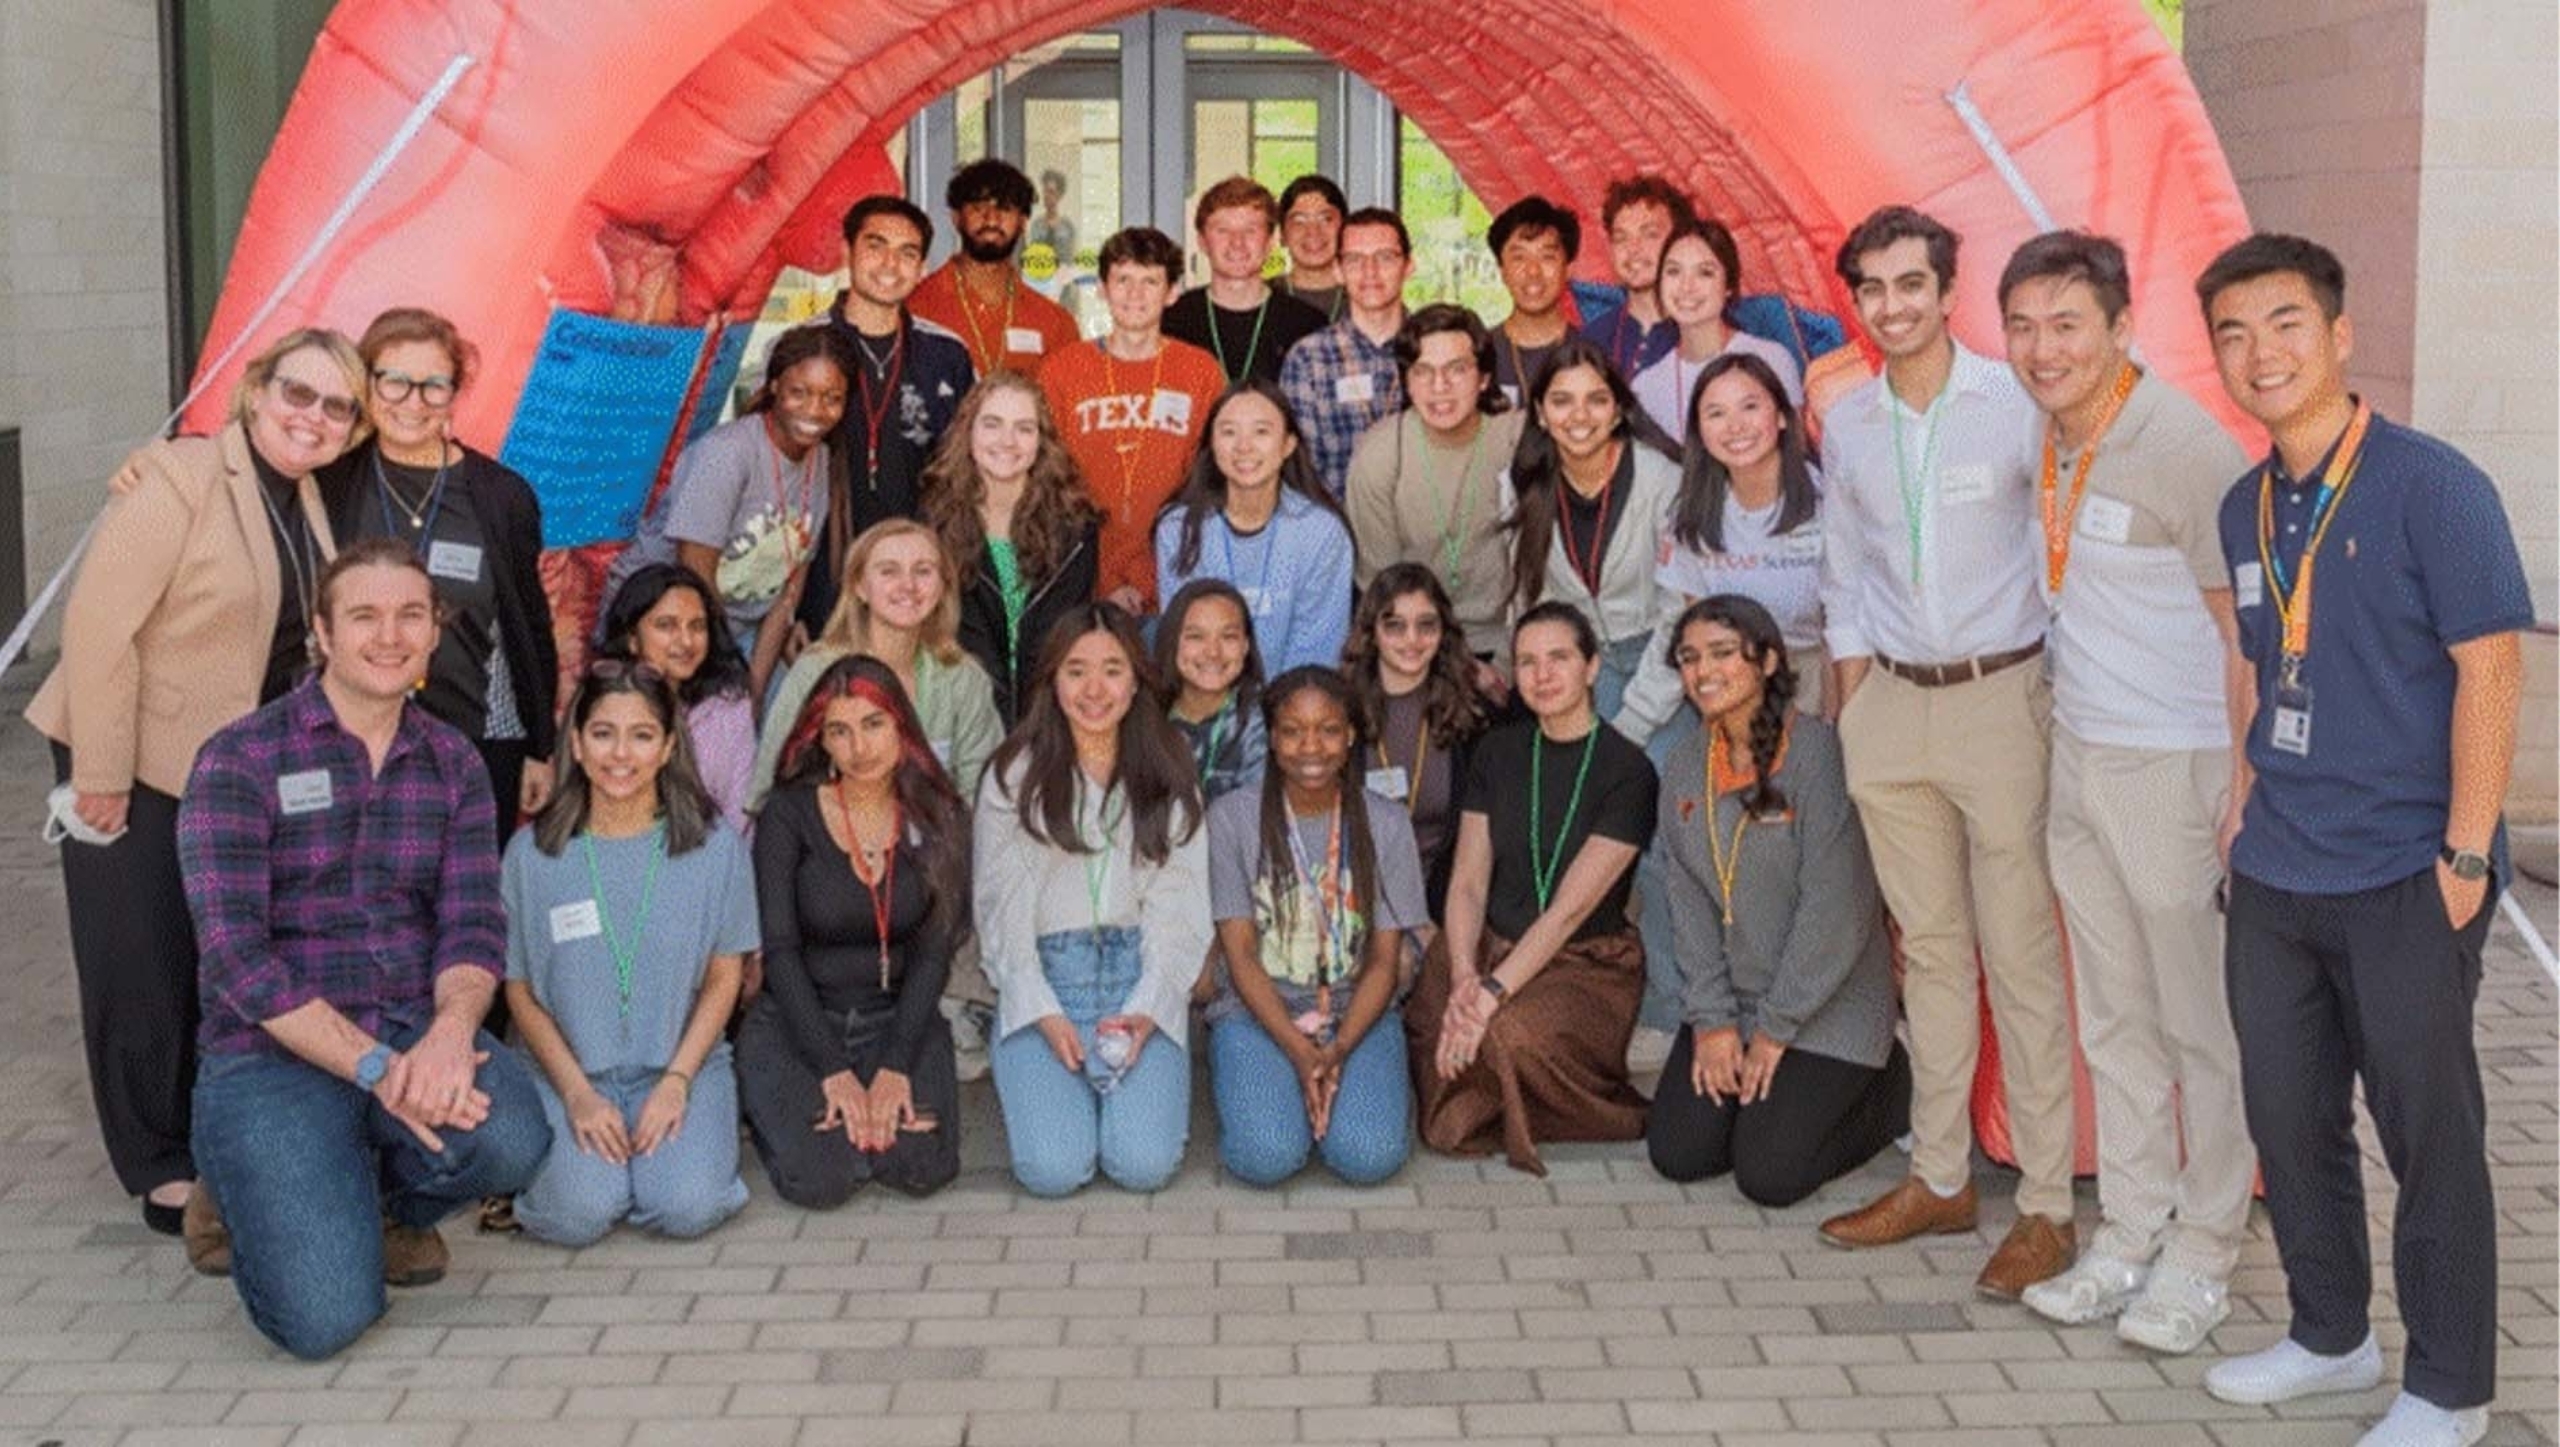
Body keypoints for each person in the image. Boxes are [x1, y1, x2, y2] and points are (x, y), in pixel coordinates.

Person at [2194, 235, 2530, 1447]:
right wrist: (2242, 800)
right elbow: (2259, 663)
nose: (2260, 353)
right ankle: (2328, 1333)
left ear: (2339, 334)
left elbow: (2491, 669)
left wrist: (2466, 854)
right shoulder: (2244, 505)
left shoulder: (2431, 486)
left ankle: (2448, 1389)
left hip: (2405, 872)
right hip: (2276, 869)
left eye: (2284, 323)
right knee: (2289, 1121)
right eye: (2233, 334)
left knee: (2428, 1137)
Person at [178, 539, 550, 1358]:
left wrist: (450, 1034)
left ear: (435, 631)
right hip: (273, 1056)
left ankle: (373, 1203)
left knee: (515, 1137)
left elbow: (473, 921)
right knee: (325, 1321)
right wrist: (378, 1070)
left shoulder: (451, 760)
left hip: (409, 1025)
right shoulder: (240, 758)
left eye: (411, 615)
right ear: (322, 632)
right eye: (365, 616)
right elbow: (237, 958)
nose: (390, 635)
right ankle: (241, 1193)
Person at [28, 328, 357, 1236]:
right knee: (140, 962)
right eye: (298, 393)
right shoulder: (179, 477)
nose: (313, 416)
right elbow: (98, 627)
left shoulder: (308, 496)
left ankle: (211, 1135)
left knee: (211, 957)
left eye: (336, 406)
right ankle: (160, 1165)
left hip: (229, 772)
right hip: (134, 755)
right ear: (256, 391)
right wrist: (101, 773)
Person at [1992, 231, 2257, 1354]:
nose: (2042, 348)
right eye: (2022, 326)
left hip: (2175, 766)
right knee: (2113, 1019)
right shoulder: (2047, 433)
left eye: (2066, 324)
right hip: (2082, 757)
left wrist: (2243, 786)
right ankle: (2133, 1229)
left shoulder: (2182, 446)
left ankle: (2206, 1250)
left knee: (2201, 1028)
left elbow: (2246, 634)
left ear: (2120, 328)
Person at [1811, 204, 2074, 1304]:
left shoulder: (2017, 403)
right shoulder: (1849, 421)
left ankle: (2048, 1205)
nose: (1891, 306)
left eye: (1909, 283)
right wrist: (1852, 712)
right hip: (1890, 709)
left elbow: (2058, 549)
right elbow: (1843, 574)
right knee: (1928, 953)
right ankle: (1940, 1177)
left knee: (2019, 954)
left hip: (2000, 698)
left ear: (1947, 290)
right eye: (1871, 288)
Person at [1644, 596, 1909, 1205]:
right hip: (1734, 1002)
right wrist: (1712, 1021)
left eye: (1721, 654)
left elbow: (1836, 911)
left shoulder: (1819, 756)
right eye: (1689, 658)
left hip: (1827, 1005)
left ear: (1766, 662)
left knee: (1768, 1176)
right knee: (1681, 1153)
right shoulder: (1684, 765)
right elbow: (1688, 906)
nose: (1703, 671)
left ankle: (1893, 1086)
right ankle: (1764, 1105)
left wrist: (1775, 1029)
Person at [502, 660, 753, 1245]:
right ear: (577, 744)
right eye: (603, 733)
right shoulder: (531, 856)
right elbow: (520, 991)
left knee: (687, 1207)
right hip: (569, 1075)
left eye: (641, 735)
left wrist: (677, 1081)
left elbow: (726, 977)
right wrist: (577, 1095)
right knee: (577, 1216)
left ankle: (660, 1166)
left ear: (667, 748)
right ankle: (596, 1175)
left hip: (682, 1067)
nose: (621, 754)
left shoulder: (715, 849)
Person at [1408, 603, 1657, 1176]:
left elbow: (1569, 911)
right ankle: (1485, 1093)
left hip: (1582, 961)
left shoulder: (1628, 770)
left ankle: (1581, 1109)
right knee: (1433, 1004)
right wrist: (1465, 974)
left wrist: (1489, 996)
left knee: (1507, 1035)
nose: (1542, 675)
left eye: (1559, 658)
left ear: (1592, 667)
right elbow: (1468, 882)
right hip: (1490, 945)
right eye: (1527, 662)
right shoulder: (1498, 751)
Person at [974, 606, 1210, 1195]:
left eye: (1112, 670)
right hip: (1048, 979)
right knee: (1054, 1171)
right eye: (1076, 671)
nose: (1094, 690)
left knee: (1143, 1165)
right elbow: (1001, 908)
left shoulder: (1167, 768)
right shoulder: (1014, 774)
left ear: (1136, 681)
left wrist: (1149, 1006)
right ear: (1052, 681)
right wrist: (1041, 1009)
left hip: (1137, 976)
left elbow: (1180, 905)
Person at [740, 656, 967, 1205]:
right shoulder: (787, 816)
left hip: (899, 1019)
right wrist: (834, 1071)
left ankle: (863, 1117)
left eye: (873, 724)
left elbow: (934, 953)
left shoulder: (939, 812)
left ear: (901, 727)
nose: (859, 748)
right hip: (797, 1023)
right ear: (820, 740)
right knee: (825, 1180)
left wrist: (894, 1066)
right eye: (839, 731)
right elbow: (780, 952)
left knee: (919, 1166)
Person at [331, 307, 559, 836]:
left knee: (468, 886)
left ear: (455, 393)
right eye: (394, 382)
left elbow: (529, 626)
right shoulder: (331, 480)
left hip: (478, 743)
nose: (413, 403)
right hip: (350, 741)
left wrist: (540, 747)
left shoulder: (502, 496)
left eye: (434, 386)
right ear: (367, 384)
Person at [1207, 666, 1424, 1186]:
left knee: (1368, 1157)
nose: (1311, 747)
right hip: (1257, 1011)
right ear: (1271, 738)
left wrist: (1339, 1048)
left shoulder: (1387, 823)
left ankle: (1341, 1092)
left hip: (1357, 1011)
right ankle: (1268, 1089)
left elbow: (1384, 961)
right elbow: (1240, 954)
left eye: (1328, 730)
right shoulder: (1232, 819)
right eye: (1292, 731)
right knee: (1267, 1157)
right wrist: (1299, 1051)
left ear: (1350, 737)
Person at [611, 324, 854, 699]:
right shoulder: (727, 453)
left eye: (832, 398)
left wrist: (753, 691)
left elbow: (787, 593)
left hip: (740, 632)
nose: (814, 410)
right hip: (667, 628)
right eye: (799, 393)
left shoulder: (820, 461)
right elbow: (695, 580)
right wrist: (728, 687)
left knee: (792, 709)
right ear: (774, 386)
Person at [1500, 340, 1685, 748]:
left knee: (1650, 772)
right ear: (1541, 414)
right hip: (1579, 664)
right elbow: (1529, 605)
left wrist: (1636, 719)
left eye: (1596, 400)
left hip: (1660, 658)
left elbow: (1680, 614)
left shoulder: (1663, 481)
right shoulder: (1520, 486)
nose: (1579, 416)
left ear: (1617, 411)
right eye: (1562, 401)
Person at [806, 194, 977, 634]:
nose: (890, 265)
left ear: (922, 267)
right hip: (824, 580)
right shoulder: (803, 347)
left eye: (907, 253)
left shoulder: (947, 354)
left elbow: (967, 473)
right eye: (876, 246)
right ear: (846, 251)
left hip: (919, 585)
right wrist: (788, 606)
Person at [750, 519, 1003, 810]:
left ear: (943, 586)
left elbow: (982, 800)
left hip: (937, 835)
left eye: (923, 571)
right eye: (889, 571)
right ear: (859, 585)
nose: (908, 585)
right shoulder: (816, 670)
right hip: (830, 834)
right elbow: (770, 788)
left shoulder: (964, 678)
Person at [1039, 226, 1225, 613]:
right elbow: (1047, 482)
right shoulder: (1062, 370)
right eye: (1123, 280)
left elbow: (1211, 482)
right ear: (1102, 289)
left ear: (1172, 292)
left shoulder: (1200, 371)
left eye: (1150, 281)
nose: (1135, 294)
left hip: (1176, 574)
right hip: (1080, 577)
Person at [1346, 304, 1524, 666]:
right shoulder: (1379, 455)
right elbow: (1385, 593)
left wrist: (1506, 664)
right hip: (1416, 647)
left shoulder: (1515, 442)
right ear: (1407, 382)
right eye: (1423, 371)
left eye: (1456, 370)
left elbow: (1538, 575)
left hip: (1510, 641)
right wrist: (1457, 667)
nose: (1439, 387)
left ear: (1484, 378)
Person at [923, 372, 1103, 726]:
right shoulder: (933, 524)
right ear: (968, 432)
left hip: (1051, 716)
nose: (1007, 441)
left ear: (1041, 441)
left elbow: (1065, 638)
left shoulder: (1076, 529)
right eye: (992, 424)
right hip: (964, 716)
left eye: (1024, 428)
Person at [1657, 353, 1827, 711]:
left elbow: (1848, 625)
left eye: (1749, 407)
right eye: (1716, 413)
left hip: (1818, 675)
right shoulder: (1689, 512)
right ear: (1699, 431)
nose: (1735, 426)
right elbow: (1699, 629)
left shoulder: (1827, 501)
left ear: (1781, 416)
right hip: (1730, 681)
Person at [1153, 380, 1355, 674]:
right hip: (1206, 691)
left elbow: (1317, 654)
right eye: (1229, 432)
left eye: (1261, 431)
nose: (1243, 446)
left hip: (1295, 697)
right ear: (1211, 444)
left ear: (1288, 444)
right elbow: (1185, 646)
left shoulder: (1321, 532)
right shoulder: (1179, 529)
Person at [1342, 564, 1490, 918]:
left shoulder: (1472, 716)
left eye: (1426, 625)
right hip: (1356, 902)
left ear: (1443, 632)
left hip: (1445, 905)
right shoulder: (1339, 712)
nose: (1412, 640)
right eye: (1395, 626)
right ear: (1371, 632)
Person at [596, 565, 760, 837]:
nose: (686, 641)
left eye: (697, 626)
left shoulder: (730, 709)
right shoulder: (600, 708)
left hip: (710, 855)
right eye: (666, 625)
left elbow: (740, 816)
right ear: (632, 639)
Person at [1279, 206, 1412, 499]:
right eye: (1355, 260)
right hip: (1337, 522)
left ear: (1409, 266)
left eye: (1385, 257)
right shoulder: (1309, 359)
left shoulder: (1433, 349)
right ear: (1338, 271)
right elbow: (1301, 476)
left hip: (1428, 523)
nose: (1370, 272)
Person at [908, 158, 1082, 378]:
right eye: (978, 207)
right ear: (956, 218)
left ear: (1023, 222)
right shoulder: (914, 307)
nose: (991, 218)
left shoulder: (1055, 323)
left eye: (1005, 208)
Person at [1631, 219, 1804, 438]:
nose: (1686, 286)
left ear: (1729, 285)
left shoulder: (1771, 359)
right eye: (1674, 271)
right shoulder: (1646, 387)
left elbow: (1794, 451)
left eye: (1705, 273)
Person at [1164, 176, 1327, 386]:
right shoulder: (1171, 322)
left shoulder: (1308, 325)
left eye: (1250, 230)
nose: (1237, 243)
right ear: (1202, 241)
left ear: (1270, 242)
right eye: (1223, 230)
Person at [1154, 578, 1268, 802]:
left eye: (1228, 637)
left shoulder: (1265, 719)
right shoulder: (1145, 714)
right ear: (1172, 641)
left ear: (1245, 645)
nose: (1213, 652)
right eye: (1196, 637)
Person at [1579, 174, 1695, 379]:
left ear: (1681, 240)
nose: (1633, 249)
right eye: (1621, 238)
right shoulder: (1592, 341)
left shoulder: (1708, 334)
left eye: (1649, 234)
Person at [1483, 195, 1581, 407]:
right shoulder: (1478, 353)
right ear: (1502, 271)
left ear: (1569, 269)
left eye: (1547, 257)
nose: (1533, 271)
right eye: (1519, 257)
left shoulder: (1594, 351)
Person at [1276, 174, 1348, 322]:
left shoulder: (1366, 297)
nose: (1313, 232)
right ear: (1282, 235)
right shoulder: (1260, 297)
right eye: (1299, 221)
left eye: (1326, 219)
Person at [1028, 167, 1077, 261]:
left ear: (1059, 195)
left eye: (1051, 192)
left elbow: (1071, 259)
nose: (1046, 196)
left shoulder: (1068, 227)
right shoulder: (1036, 225)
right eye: (1045, 191)